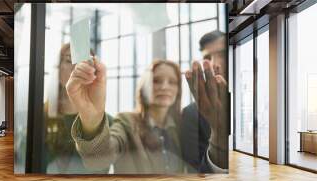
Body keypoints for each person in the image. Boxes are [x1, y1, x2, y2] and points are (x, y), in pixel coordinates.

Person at [66, 56, 226, 174]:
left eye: (172, 82)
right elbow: (99, 158)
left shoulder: (183, 125)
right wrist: (92, 119)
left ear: (178, 90)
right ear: (144, 87)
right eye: (156, 81)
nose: (164, 87)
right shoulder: (126, 121)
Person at [43, 43, 112, 174]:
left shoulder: (108, 123)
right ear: (58, 68)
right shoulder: (37, 115)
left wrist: (92, 120)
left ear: (94, 68)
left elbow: (101, 169)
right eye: (69, 60)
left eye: (83, 61)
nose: (77, 67)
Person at [180, 30, 228, 172]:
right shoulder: (190, 114)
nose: (215, 64)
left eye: (223, 54)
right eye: (207, 58)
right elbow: (194, 173)